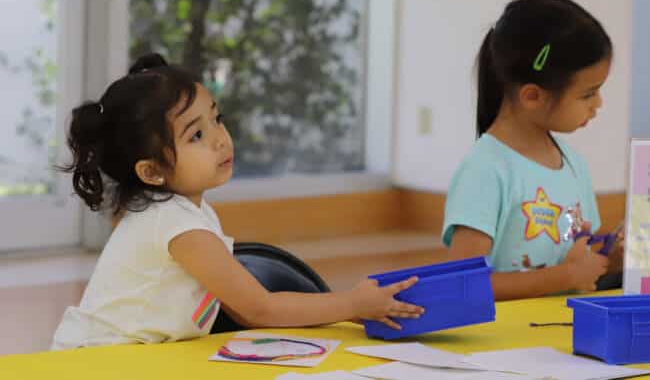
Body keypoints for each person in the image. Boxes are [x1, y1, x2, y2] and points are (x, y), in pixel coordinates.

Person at [51, 53, 423, 349]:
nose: (219, 139)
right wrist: (352, 304)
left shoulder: (177, 211)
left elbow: (244, 308)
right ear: (151, 172)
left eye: (217, 119)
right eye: (196, 135)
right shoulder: (175, 223)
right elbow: (257, 309)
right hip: (101, 362)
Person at [442, 0, 623, 301]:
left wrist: (615, 260)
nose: (599, 104)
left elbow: (580, 267)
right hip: (501, 345)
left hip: (555, 338)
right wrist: (563, 277)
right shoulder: (485, 170)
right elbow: (464, 286)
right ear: (532, 96)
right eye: (587, 94)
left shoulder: (573, 163)